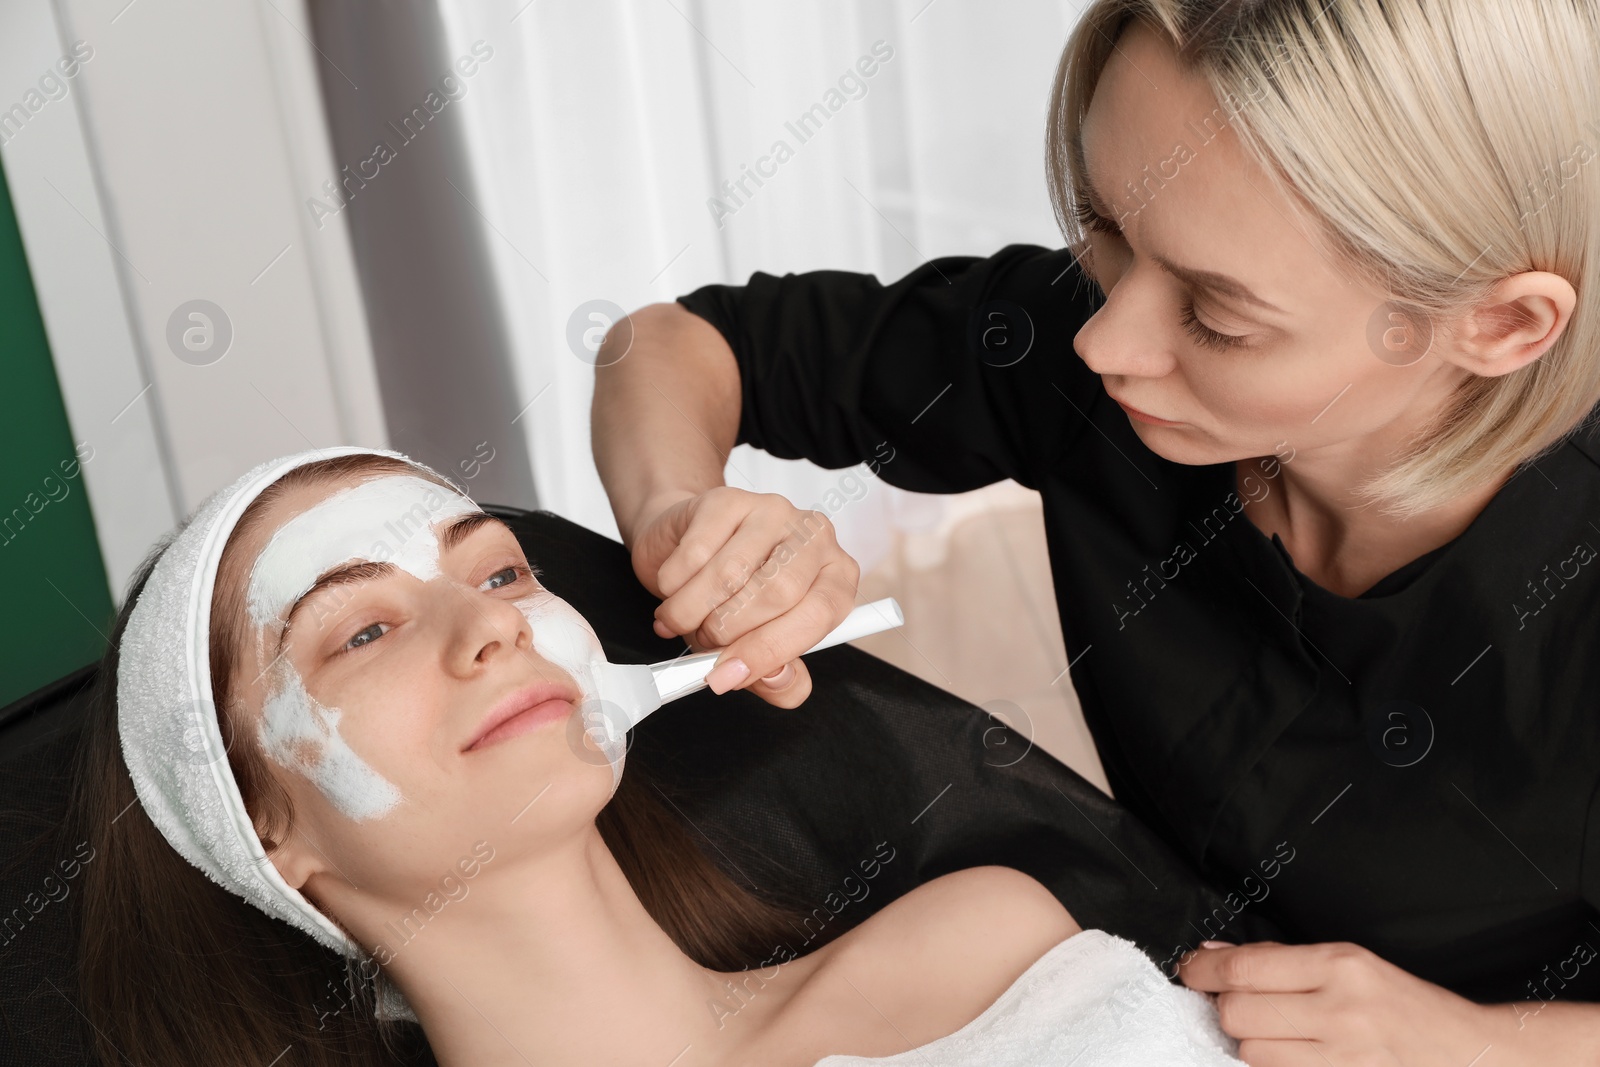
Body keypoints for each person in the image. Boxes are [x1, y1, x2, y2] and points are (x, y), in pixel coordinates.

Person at [590, 1, 1600, 1063]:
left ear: (1498, 324)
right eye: (1109, 230)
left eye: (1216, 314)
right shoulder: (1083, 366)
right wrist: (681, 516)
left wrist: (1472, 1041)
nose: (1104, 338)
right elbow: (671, 345)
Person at [72, 447, 1250, 1067]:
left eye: (498, 572)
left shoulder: (985, 940)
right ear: (262, 829)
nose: (493, 625)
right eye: (364, 629)